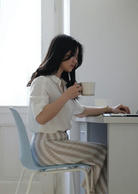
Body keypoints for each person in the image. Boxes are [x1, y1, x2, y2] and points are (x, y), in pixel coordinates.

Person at [27, 34, 130, 194]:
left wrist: (110, 109)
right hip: (47, 146)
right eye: (72, 55)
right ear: (60, 52)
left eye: (77, 56)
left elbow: (81, 111)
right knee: (100, 152)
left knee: (101, 152)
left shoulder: (61, 84)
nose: (75, 60)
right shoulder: (42, 81)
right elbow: (41, 117)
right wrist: (66, 95)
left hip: (58, 144)